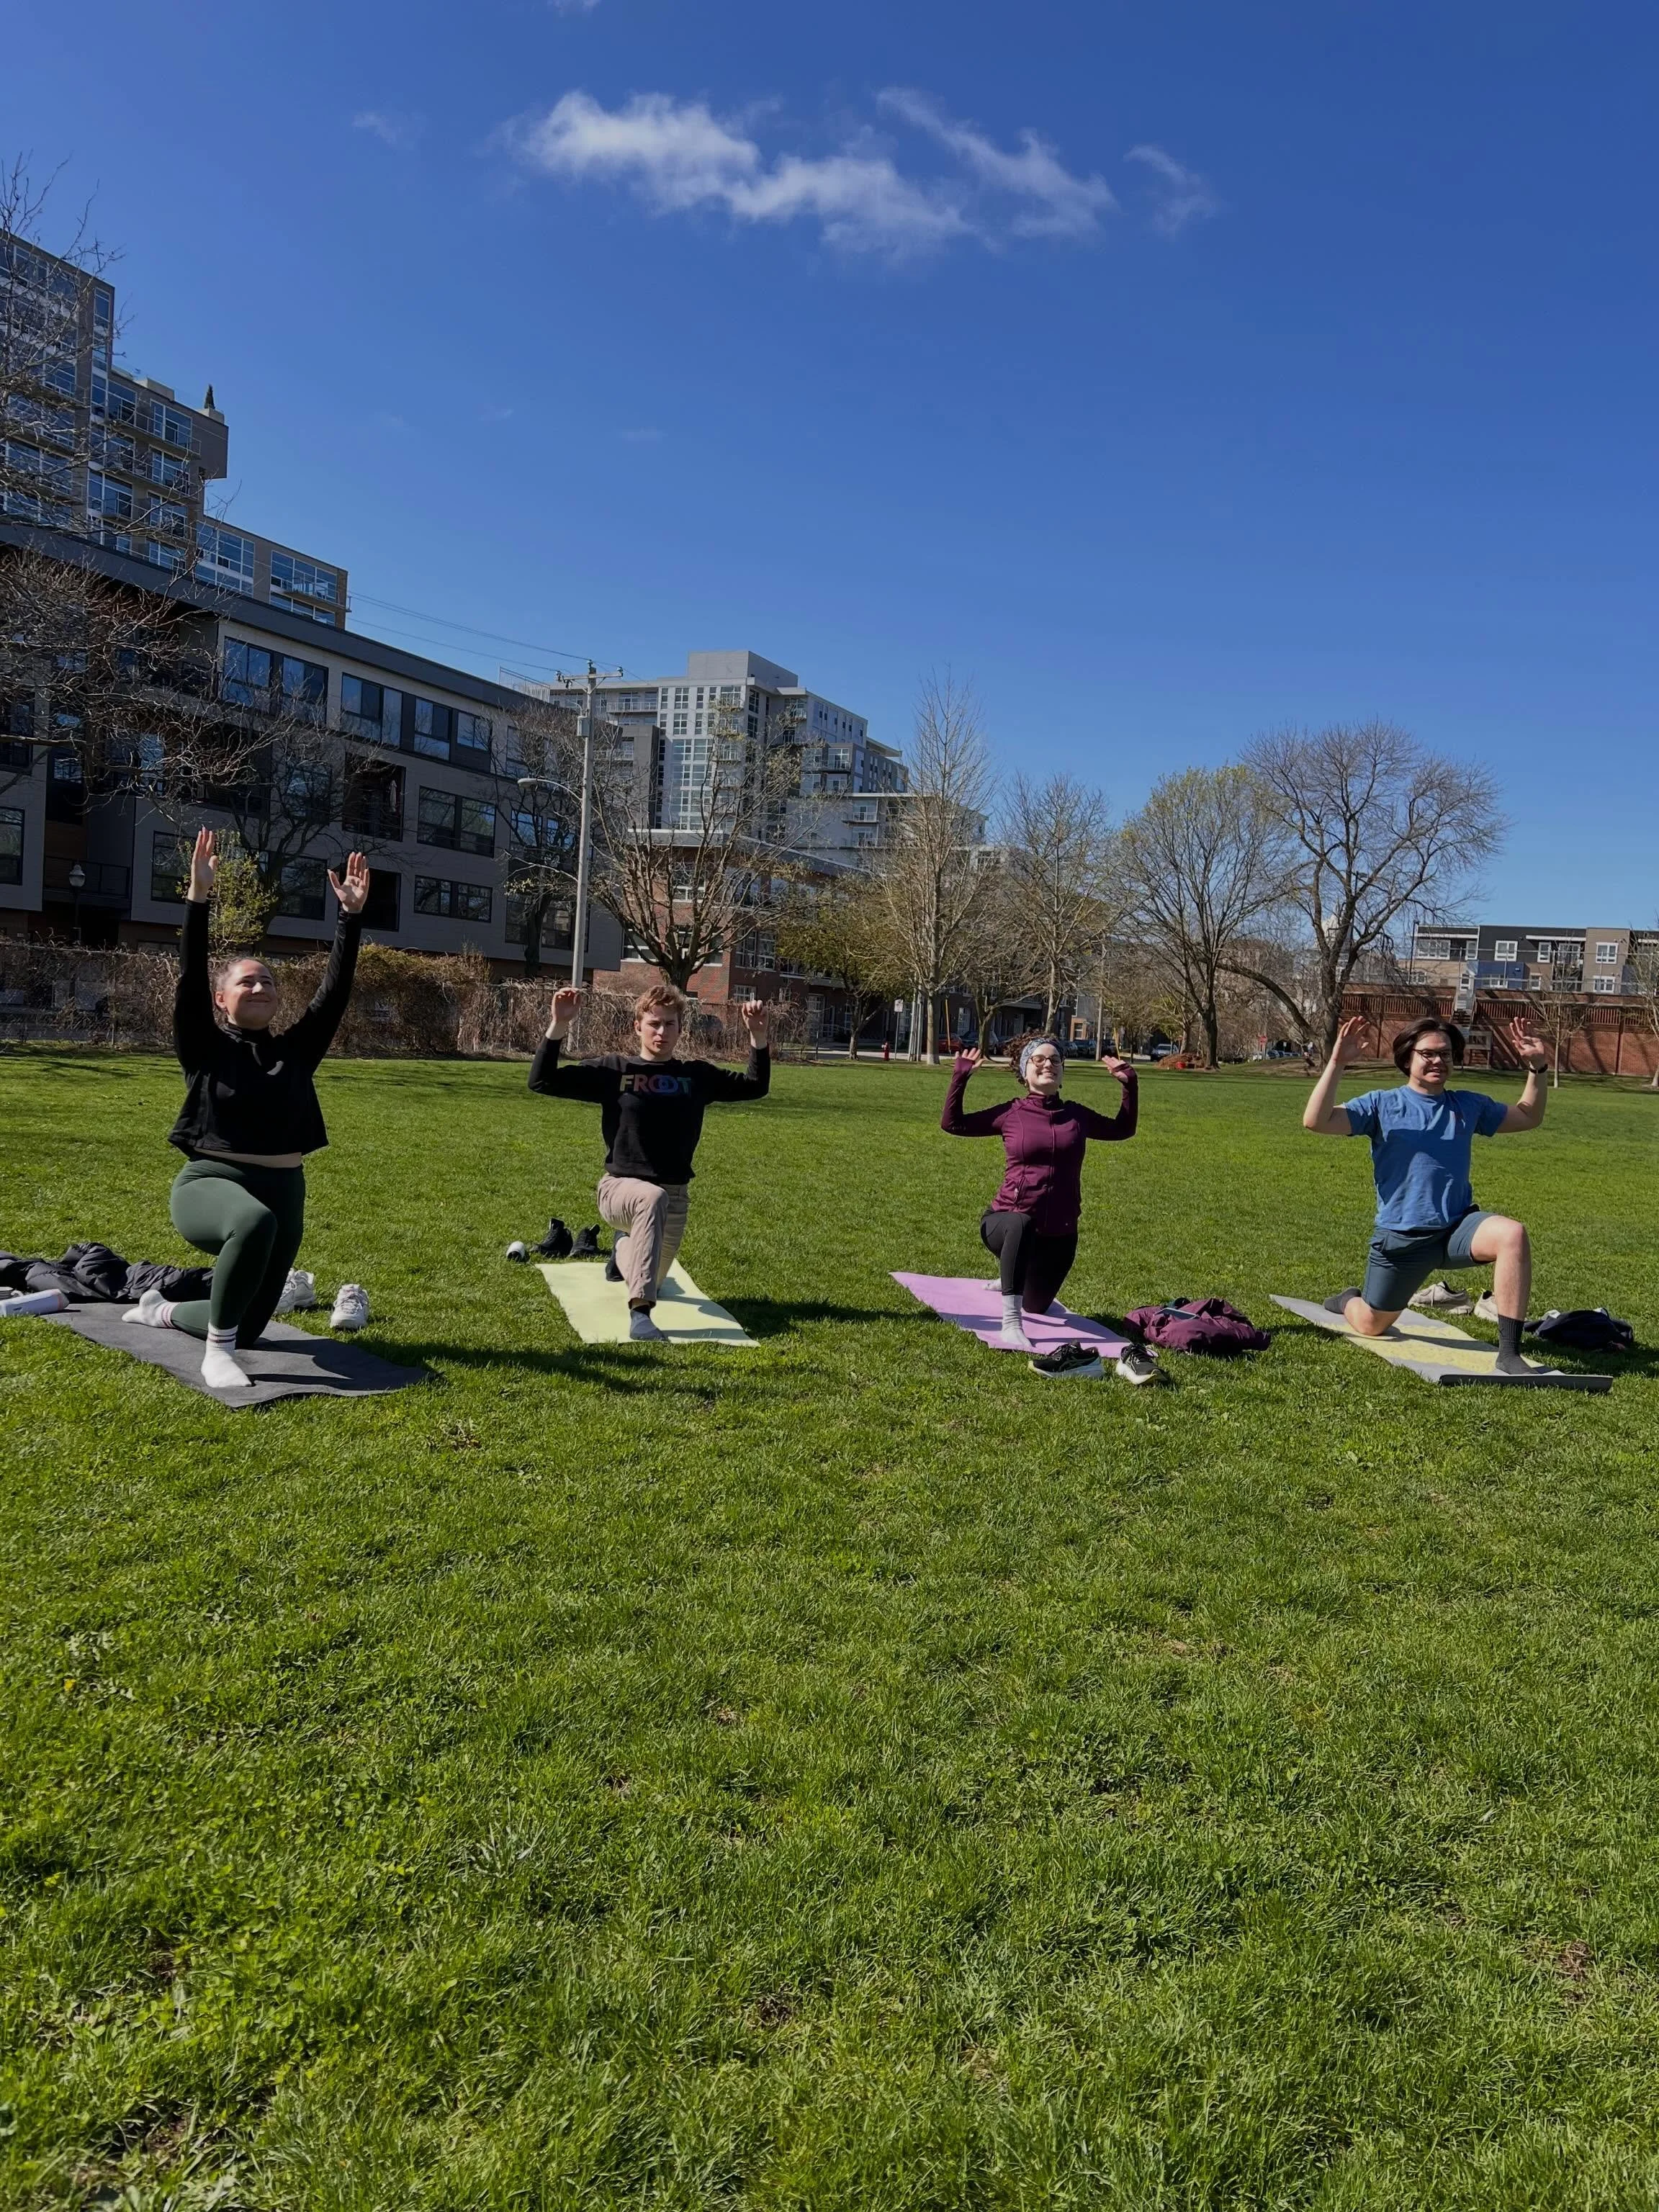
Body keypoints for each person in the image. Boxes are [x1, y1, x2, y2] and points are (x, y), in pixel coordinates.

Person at [125, 826, 370, 1389]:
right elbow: (189, 978)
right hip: (211, 1182)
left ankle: (160, 1310)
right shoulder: (205, 1045)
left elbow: (334, 993)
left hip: (287, 1189)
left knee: (251, 1323)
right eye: (246, 982)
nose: (259, 987)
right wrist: (198, 897)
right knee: (251, 1226)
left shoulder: (295, 1053)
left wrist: (351, 918)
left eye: (267, 981)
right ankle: (216, 1355)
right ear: (222, 998)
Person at [1303, 1012, 1550, 1375]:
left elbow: (1528, 1117)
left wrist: (1538, 1068)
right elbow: (1316, 1121)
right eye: (1428, 1053)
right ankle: (1349, 1299)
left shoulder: (1468, 1106)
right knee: (1373, 1324)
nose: (1438, 1061)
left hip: (1456, 1229)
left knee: (1512, 1234)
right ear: (1408, 1058)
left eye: (1446, 1054)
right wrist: (1338, 1063)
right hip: (1402, 1240)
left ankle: (1510, 1353)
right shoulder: (1381, 1105)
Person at [529, 981, 770, 1341]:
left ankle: (621, 1251)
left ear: (680, 1029)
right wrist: (558, 1025)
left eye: (669, 1024)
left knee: (651, 1270)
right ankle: (641, 1315)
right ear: (638, 1026)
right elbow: (542, 1081)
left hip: (674, 1196)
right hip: (620, 1189)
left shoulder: (696, 1076)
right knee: (649, 1201)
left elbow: (755, 1086)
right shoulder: (615, 1071)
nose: (661, 1031)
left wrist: (758, 1037)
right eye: (654, 1023)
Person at [941, 1035, 1138, 1351]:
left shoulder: (1076, 1116)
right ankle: (1011, 1322)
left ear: (1062, 1072)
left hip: (1060, 1234)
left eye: (1055, 1060)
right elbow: (953, 1124)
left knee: (1038, 1306)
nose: (1049, 1064)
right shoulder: (1012, 1113)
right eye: (1039, 1059)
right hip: (1004, 1222)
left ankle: (1010, 1279)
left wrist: (1130, 1084)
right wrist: (960, 1077)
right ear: (1025, 1070)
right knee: (1021, 1225)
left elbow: (1123, 1130)